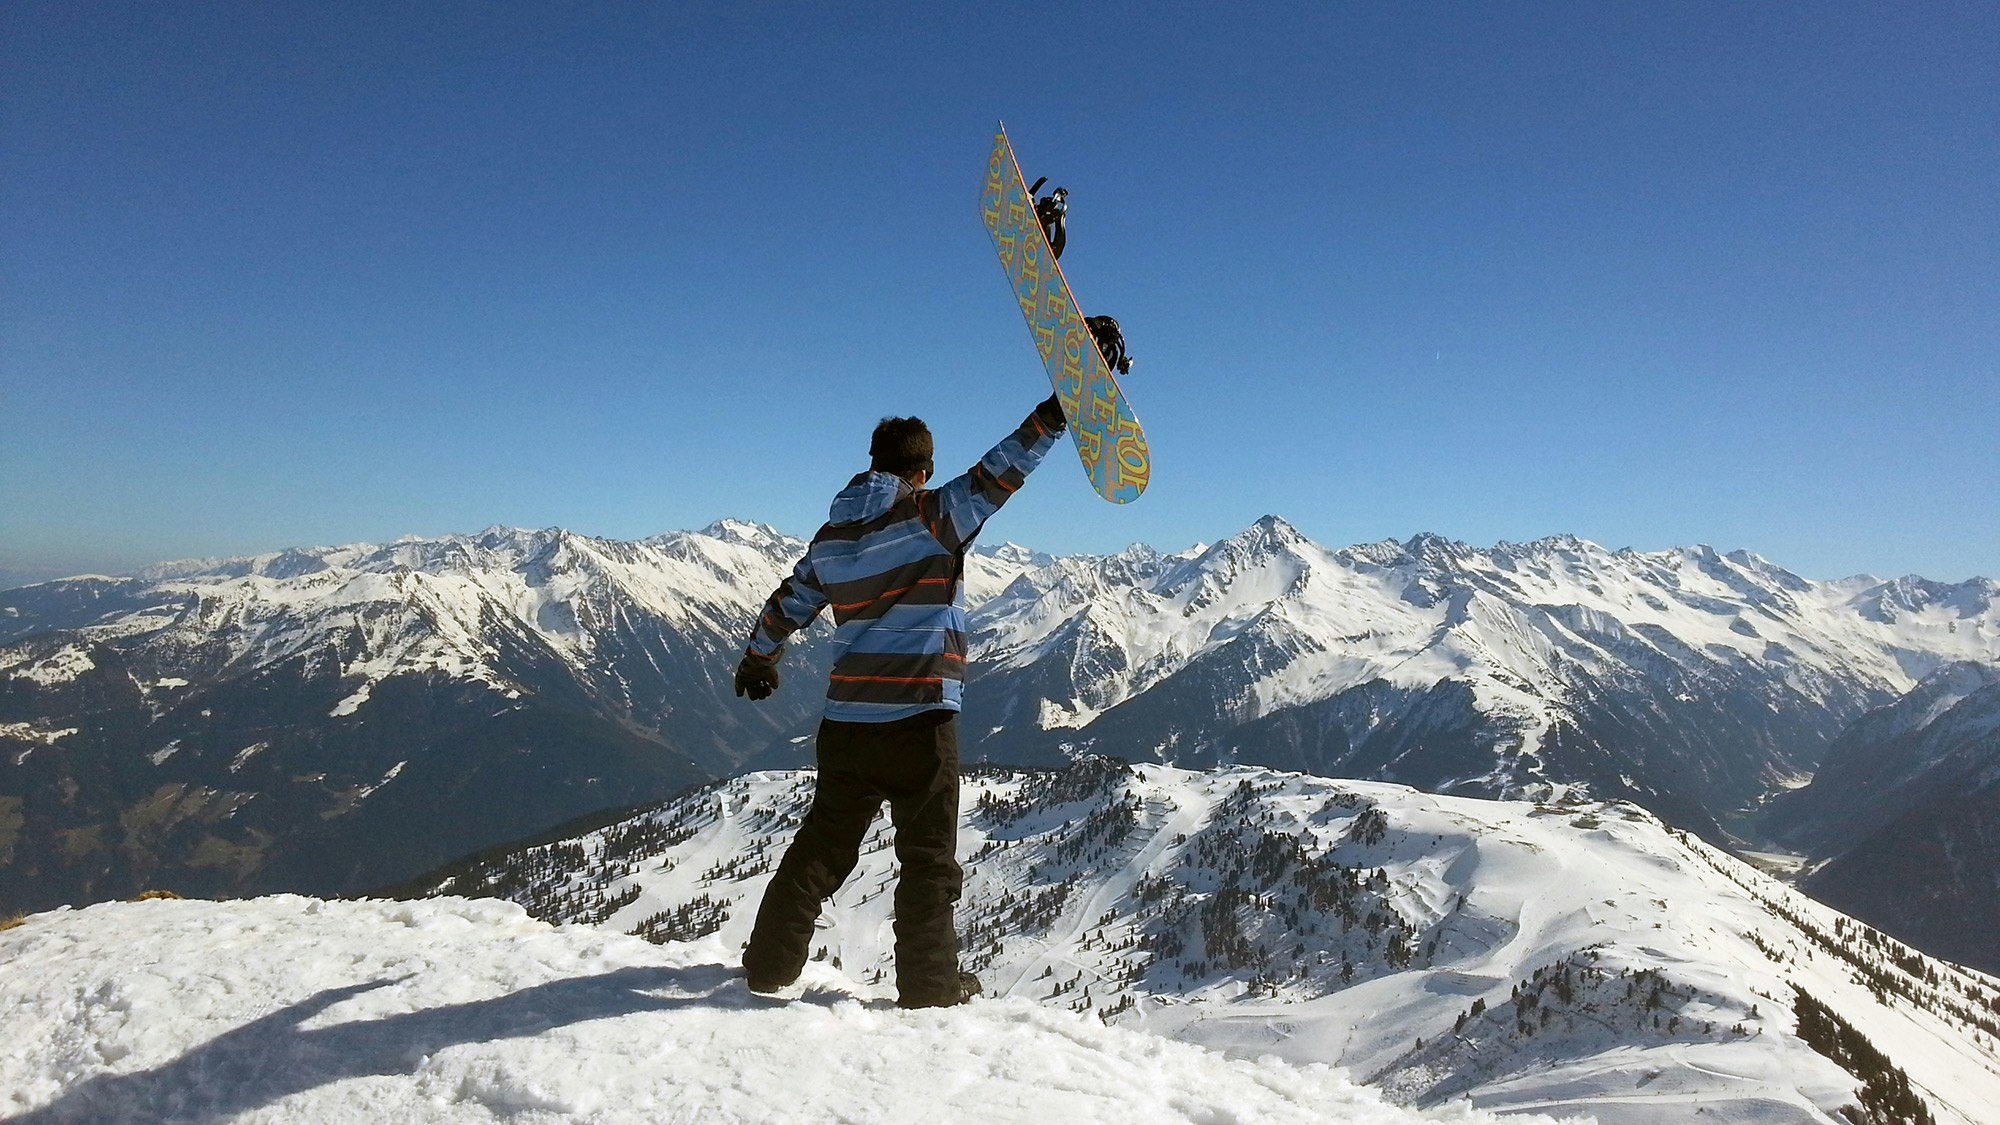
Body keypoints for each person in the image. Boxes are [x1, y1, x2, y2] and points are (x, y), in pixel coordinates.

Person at [733, 392, 1067, 1008]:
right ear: (923, 471)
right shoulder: (933, 517)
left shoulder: (831, 539)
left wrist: (759, 659)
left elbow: (789, 603)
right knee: (927, 862)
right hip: (920, 718)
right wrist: (1054, 414)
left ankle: (768, 965)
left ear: (871, 462)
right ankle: (929, 988)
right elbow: (999, 472)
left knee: (822, 847)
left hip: (846, 726)